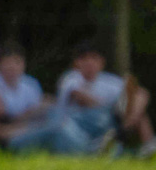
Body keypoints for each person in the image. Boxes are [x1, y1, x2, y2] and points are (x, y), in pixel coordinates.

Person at [10, 42, 149, 155]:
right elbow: (79, 97)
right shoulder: (71, 78)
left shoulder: (112, 82)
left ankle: (148, 146)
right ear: (77, 63)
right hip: (72, 124)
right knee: (53, 130)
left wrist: (129, 118)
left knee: (137, 106)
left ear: (102, 62)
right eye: (84, 58)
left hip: (102, 129)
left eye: (94, 58)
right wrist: (112, 108)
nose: (89, 63)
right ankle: (98, 150)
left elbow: (141, 94)